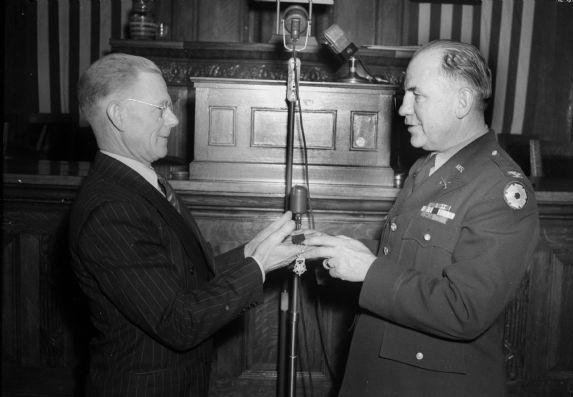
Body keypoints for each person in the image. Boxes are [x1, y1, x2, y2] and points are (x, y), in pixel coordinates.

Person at [303, 40, 540, 396]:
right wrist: (336, 250)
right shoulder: (428, 165)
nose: (404, 109)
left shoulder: (501, 190)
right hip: (381, 370)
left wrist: (367, 270)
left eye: (417, 94)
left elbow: (464, 309)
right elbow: (411, 255)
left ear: (462, 102)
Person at [69, 53, 307, 396]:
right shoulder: (110, 210)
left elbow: (183, 280)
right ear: (118, 114)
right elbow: (178, 322)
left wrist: (250, 253)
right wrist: (260, 265)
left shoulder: (137, 184)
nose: (174, 120)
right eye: (161, 107)